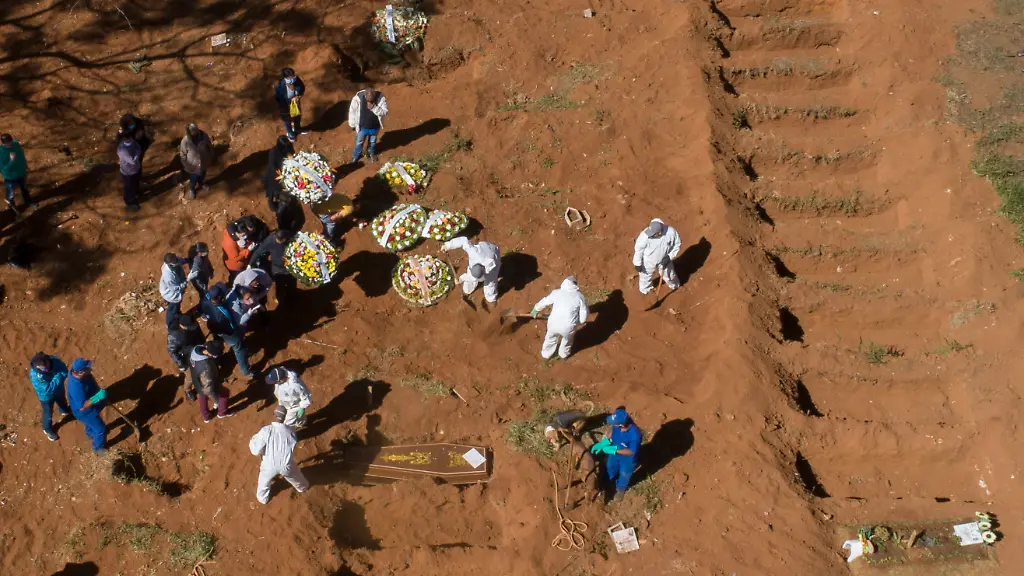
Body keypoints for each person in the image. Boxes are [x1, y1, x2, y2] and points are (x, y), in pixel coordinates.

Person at [249, 405, 309, 504]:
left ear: (274, 415)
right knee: (297, 477)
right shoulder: (291, 433)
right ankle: (303, 487)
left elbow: (255, 451)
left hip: (269, 465)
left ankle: (263, 499)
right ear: (285, 417)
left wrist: (256, 445)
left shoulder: (266, 430)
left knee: (263, 482)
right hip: (286, 465)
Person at [200, 283, 253, 378]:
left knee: (217, 345)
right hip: (227, 333)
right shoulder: (222, 313)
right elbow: (231, 327)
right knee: (239, 349)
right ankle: (246, 371)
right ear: (219, 297)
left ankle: (218, 360)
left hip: (212, 326)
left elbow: (201, 310)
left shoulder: (206, 298)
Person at [531, 276, 589, 360]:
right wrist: (580, 321)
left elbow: (545, 301)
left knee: (550, 338)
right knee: (567, 341)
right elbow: (584, 313)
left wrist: (536, 309)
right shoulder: (580, 296)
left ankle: (546, 354)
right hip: (568, 327)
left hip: (553, 324)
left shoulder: (556, 293)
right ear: (575, 285)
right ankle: (563, 355)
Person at [590, 408, 642, 501]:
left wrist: (614, 450)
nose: (613, 425)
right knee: (610, 466)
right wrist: (604, 442)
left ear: (622, 425)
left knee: (624, 473)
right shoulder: (617, 425)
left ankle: (621, 489)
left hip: (628, 459)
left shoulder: (635, 435)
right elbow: (612, 431)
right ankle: (608, 479)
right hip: (615, 452)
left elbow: (632, 451)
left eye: (615, 424)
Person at [441, 237, 501, 306]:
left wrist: (461, 279)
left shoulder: (491, 266)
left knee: (490, 284)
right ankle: (470, 286)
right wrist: (447, 245)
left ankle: (491, 297)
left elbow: (473, 277)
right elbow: (463, 241)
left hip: (493, 255)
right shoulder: (473, 252)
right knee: (467, 287)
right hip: (483, 249)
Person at [66, 358, 107, 454]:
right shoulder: (75, 387)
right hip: (85, 413)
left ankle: (90, 433)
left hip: (90, 402)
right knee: (101, 430)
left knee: (91, 424)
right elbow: (82, 406)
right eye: (87, 368)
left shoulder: (80, 374)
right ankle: (98, 448)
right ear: (80, 372)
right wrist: (98, 397)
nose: (90, 369)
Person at [632, 218, 682, 295]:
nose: (650, 235)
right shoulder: (645, 235)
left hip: (664, 259)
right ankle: (645, 290)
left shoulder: (671, 233)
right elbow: (639, 249)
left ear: (659, 233)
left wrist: (669, 257)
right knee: (645, 277)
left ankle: (674, 286)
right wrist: (637, 263)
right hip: (648, 260)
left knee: (670, 275)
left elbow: (677, 244)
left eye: (653, 234)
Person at [29, 353, 71, 441]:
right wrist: (58, 377)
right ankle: (47, 429)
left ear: (48, 360)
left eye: (46, 365)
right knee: (48, 412)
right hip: (46, 397)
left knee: (62, 401)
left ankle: (64, 411)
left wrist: (59, 377)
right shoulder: (35, 375)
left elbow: (64, 370)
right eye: (42, 368)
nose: (45, 369)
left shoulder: (55, 361)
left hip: (59, 389)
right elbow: (48, 389)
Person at [188, 339, 232, 422]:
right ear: (211, 354)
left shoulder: (197, 349)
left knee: (202, 395)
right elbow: (209, 390)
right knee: (225, 394)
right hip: (207, 382)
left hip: (197, 381)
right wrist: (216, 400)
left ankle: (206, 416)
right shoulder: (207, 367)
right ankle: (222, 412)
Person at [249, 229, 297, 303]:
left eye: (279, 240)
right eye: (277, 239)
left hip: (290, 266)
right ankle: (280, 298)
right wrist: (251, 263)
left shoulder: (290, 237)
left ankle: (292, 297)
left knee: (292, 282)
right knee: (280, 285)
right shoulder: (270, 241)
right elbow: (258, 251)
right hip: (277, 268)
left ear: (284, 239)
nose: (277, 241)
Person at [348, 87, 388, 163]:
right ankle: (356, 156)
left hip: (375, 127)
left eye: (372, 99)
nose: (371, 101)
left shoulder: (380, 98)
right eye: (369, 99)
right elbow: (352, 111)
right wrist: (352, 124)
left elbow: (385, 112)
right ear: (365, 95)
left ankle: (370, 153)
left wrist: (374, 107)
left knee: (372, 142)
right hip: (362, 127)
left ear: (374, 94)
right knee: (359, 142)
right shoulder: (358, 98)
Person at [1, 133, 34, 213]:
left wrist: (25, 165)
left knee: (24, 188)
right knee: (11, 192)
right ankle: (11, 206)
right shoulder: (1, 152)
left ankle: (28, 201)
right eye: (7, 144)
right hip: (10, 176)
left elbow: (21, 155)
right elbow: (3, 168)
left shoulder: (15, 144)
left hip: (21, 172)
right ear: (3, 143)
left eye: (10, 143)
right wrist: (11, 161)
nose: (10, 145)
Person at [159, 253, 195, 329]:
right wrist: (187, 280)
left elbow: (181, 260)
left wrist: (188, 260)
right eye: (175, 262)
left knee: (176, 308)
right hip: (171, 295)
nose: (177, 261)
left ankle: (177, 313)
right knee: (172, 309)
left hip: (174, 286)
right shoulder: (168, 276)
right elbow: (175, 289)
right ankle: (169, 323)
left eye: (176, 260)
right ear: (170, 264)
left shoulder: (175, 260)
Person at [179, 123, 213, 200]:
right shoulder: (185, 141)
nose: (193, 135)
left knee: (202, 175)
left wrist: (210, 157)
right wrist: (187, 166)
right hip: (193, 166)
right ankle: (192, 190)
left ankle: (201, 184)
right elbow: (183, 155)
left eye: (194, 133)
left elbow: (210, 147)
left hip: (204, 162)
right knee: (193, 179)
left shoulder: (204, 136)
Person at [222, 218, 260, 284]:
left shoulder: (232, 232)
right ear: (238, 233)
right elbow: (236, 258)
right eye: (243, 235)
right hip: (235, 266)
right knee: (239, 279)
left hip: (241, 259)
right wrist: (248, 250)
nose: (244, 236)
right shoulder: (229, 244)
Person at [274, 68, 306, 142]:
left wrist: (299, 96)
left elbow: (302, 88)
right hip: (285, 106)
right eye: (290, 77)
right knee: (287, 120)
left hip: (295, 103)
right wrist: (288, 103)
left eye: (293, 76)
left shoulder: (297, 80)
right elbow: (278, 98)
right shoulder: (280, 86)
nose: (293, 78)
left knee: (297, 117)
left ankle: (297, 129)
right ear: (285, 78)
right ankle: (291, 134)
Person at [263, 136, 294, 211]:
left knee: (285, 190)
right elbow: (272, 165)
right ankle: (273, 205)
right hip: (275, 175)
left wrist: (290, 157)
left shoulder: (288, 146)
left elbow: (291, 153)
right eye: (284, 147)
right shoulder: (273, 152)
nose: (286, 148)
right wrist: (280, 174)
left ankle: (285, 202)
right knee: (273, 191)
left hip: (286, 171)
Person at [117, 132, 143, 211]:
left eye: (131, 138)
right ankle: (129, 202)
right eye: (129, 138)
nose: (131, 139)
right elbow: (132, 161)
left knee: (135, 183)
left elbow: (138, 148)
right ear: (124, 139)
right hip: (127, 172)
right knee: (129, 187)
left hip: (136, 169)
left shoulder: (133, 142)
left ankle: (136, 193)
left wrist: (136, 155)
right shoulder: (122, 150)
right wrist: (137, 155)